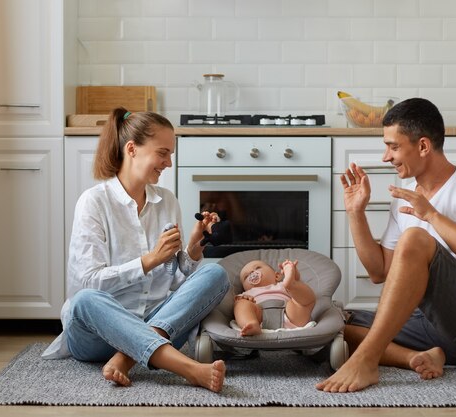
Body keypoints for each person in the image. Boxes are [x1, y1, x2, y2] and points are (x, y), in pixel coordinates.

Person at [316, 98, 456, 393]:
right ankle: (418, 358)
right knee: (329, 322)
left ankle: (367, 360)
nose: (386, 157)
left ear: (422, 146)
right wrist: (356, 213)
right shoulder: (406, 196)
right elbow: (381, 271)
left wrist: (431, 214)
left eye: (393, 147)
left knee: (416, 238)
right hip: (429, 326)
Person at [41, 108, 230, 393]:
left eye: (170, 155)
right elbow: (86, 282)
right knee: (83, 300)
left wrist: (192, 249)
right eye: (162, 153)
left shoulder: (167, 200)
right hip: (97, 334)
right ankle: (188, 368)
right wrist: (149, 260)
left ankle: (127, 357)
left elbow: (176, 284)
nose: (168, 163)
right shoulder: (94, 202)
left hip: (156, 322)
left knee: (215, 273)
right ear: (132, 149)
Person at [234, 259, 316, 336]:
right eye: (246, 276)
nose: (251, 272)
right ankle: (250, 323)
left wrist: (294, 276)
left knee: (301, 299)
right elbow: (239, 305)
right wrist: (243, 300)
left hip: (288, 314)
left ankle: (293, 283)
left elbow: (299, 291)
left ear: (277, 276)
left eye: (257, 268)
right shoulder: (247, 294)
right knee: (241, 305)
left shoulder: (282, 285)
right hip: (260, 318)